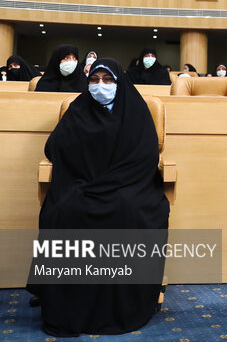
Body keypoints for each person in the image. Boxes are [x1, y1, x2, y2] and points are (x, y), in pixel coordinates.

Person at [28, 58, 169, 336]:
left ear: (120, 82)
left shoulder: (137, 111)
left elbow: (145, 156)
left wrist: (112, 184)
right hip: (82, 184)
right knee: (64, 211)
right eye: (94, 80)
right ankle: (65, 301)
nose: (100, 86)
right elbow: (55, 148)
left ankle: (121, 304)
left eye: (107, 80)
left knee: (129, 211)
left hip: (127, 187)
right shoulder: (78, 110)